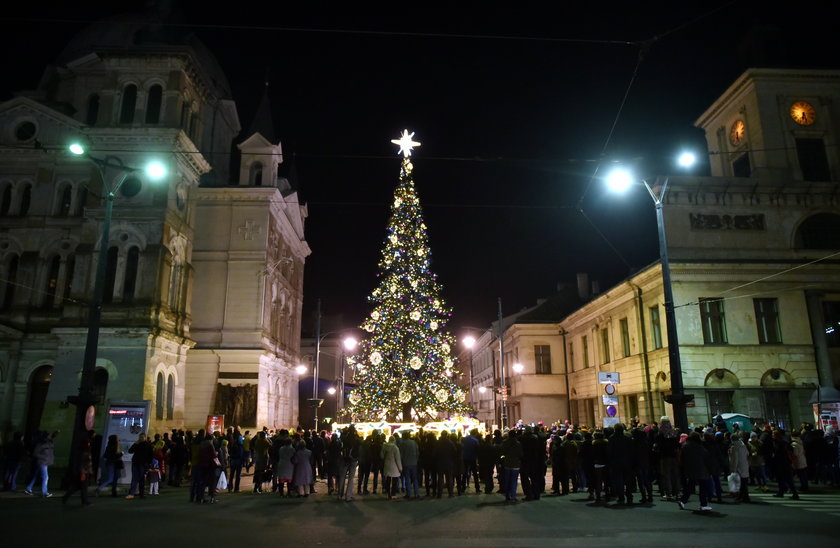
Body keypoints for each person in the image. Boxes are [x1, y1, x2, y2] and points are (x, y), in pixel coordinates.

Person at [677, 432, 714, 511]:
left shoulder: (685, 446)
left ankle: (683, 501)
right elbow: (707, 459)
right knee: (703, 487)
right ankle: (703, 504)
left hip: (689, 469)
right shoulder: (700, 447)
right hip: (701, 469)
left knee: (690, 486)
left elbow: (681, 459)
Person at [62, 435, 93, 506]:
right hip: (84, 472)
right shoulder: (84, 452)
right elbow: (83, 463)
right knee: (83, 487)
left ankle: (66, 497)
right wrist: (84, 472)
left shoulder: (84, 450)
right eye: (88, 443)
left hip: (83, 471)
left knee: (77, 486)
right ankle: (84, 501)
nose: (89, 444)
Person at [24, 430, 57, 498]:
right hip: (42, 462)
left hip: (44, 462)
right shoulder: (41, 444)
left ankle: (28, 488)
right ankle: (45, 493)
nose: (50, 436)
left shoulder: (48, 443)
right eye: (49, 435)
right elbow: (35, 453)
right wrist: (44, 457)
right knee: (45, 477)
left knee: (36, 476)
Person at [126, 432, 153, 499]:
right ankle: (136, 493)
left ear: (145, 437)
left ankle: (137, 493)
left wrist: (149, 464)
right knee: (137, 479)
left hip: (142, 464)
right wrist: (135, 444)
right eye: (140, 437)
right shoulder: (138, 444)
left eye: (142, 437)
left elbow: (150, 455)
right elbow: (130, 451)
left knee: (140, 479)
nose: (141, 438)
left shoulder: (148, 445)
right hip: (137, 463)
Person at [500, 430, 523, 502]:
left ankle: (507, 495)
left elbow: (502, 452)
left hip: (507, 463)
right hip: (516, 464)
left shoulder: (505, 443)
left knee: (507, 480)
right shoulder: (518, 443)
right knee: (514, 481)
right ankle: (513, 496)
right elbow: (521, 454)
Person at [728, 432, 750, 503]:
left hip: (739, 467)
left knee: (740, 483)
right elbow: (747, 454)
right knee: (744, 483)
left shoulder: (734, 447)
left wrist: (733, 469)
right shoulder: (743, 445)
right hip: (745, 465)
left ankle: (742, 497)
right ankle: (744, 497)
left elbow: (735, 460)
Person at [381, 435, 402, 499]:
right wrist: (400, 468)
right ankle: (393, 494)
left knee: (388, 480)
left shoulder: (384, 446)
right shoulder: (395, 448)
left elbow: (381, 456)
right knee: (394, 480)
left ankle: (388, 493)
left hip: (387, 465)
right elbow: (397, 459)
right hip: (394, 466)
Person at [400, 431, 420, 499]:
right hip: (414, 463)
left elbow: (401, 454)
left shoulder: (403, 443)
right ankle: (416, 493)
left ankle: (408, 494)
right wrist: (416, 460)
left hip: (406, 463)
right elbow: (418, 453)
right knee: (415, 479)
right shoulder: (414, 442)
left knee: (407, 479)